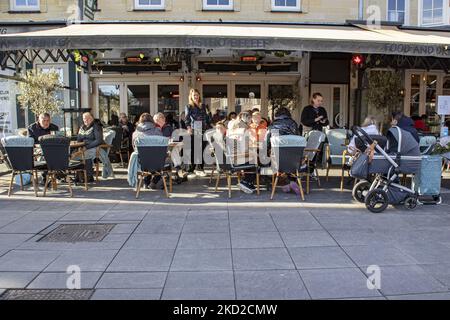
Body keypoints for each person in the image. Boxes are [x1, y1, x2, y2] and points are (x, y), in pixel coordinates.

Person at [184, 88, 212, 177]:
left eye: (197, 95)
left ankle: (200, 169)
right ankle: (191, 170)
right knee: (194, 150)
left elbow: (207, 119)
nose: (196, 96)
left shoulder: (203, 106)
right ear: (191, 96)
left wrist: (211, 124)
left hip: (203, 129)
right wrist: (188, 128)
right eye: (194, 95)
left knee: (202, 150)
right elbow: (187, 118)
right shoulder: (189, 106)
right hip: (194, 130)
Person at [76, 112, 104, 182]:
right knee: (73, 154)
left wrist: (87, 147)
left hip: (94, 147)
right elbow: (79, 139)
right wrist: (79, 146)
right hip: (83, 147)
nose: (86, 120)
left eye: (88, 118)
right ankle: (79, 176)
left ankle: (88, 176)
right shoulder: (82, 127)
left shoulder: (96, 126)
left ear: (92, 118)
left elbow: (99, 140)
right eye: (84, 119)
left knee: (86, 154)